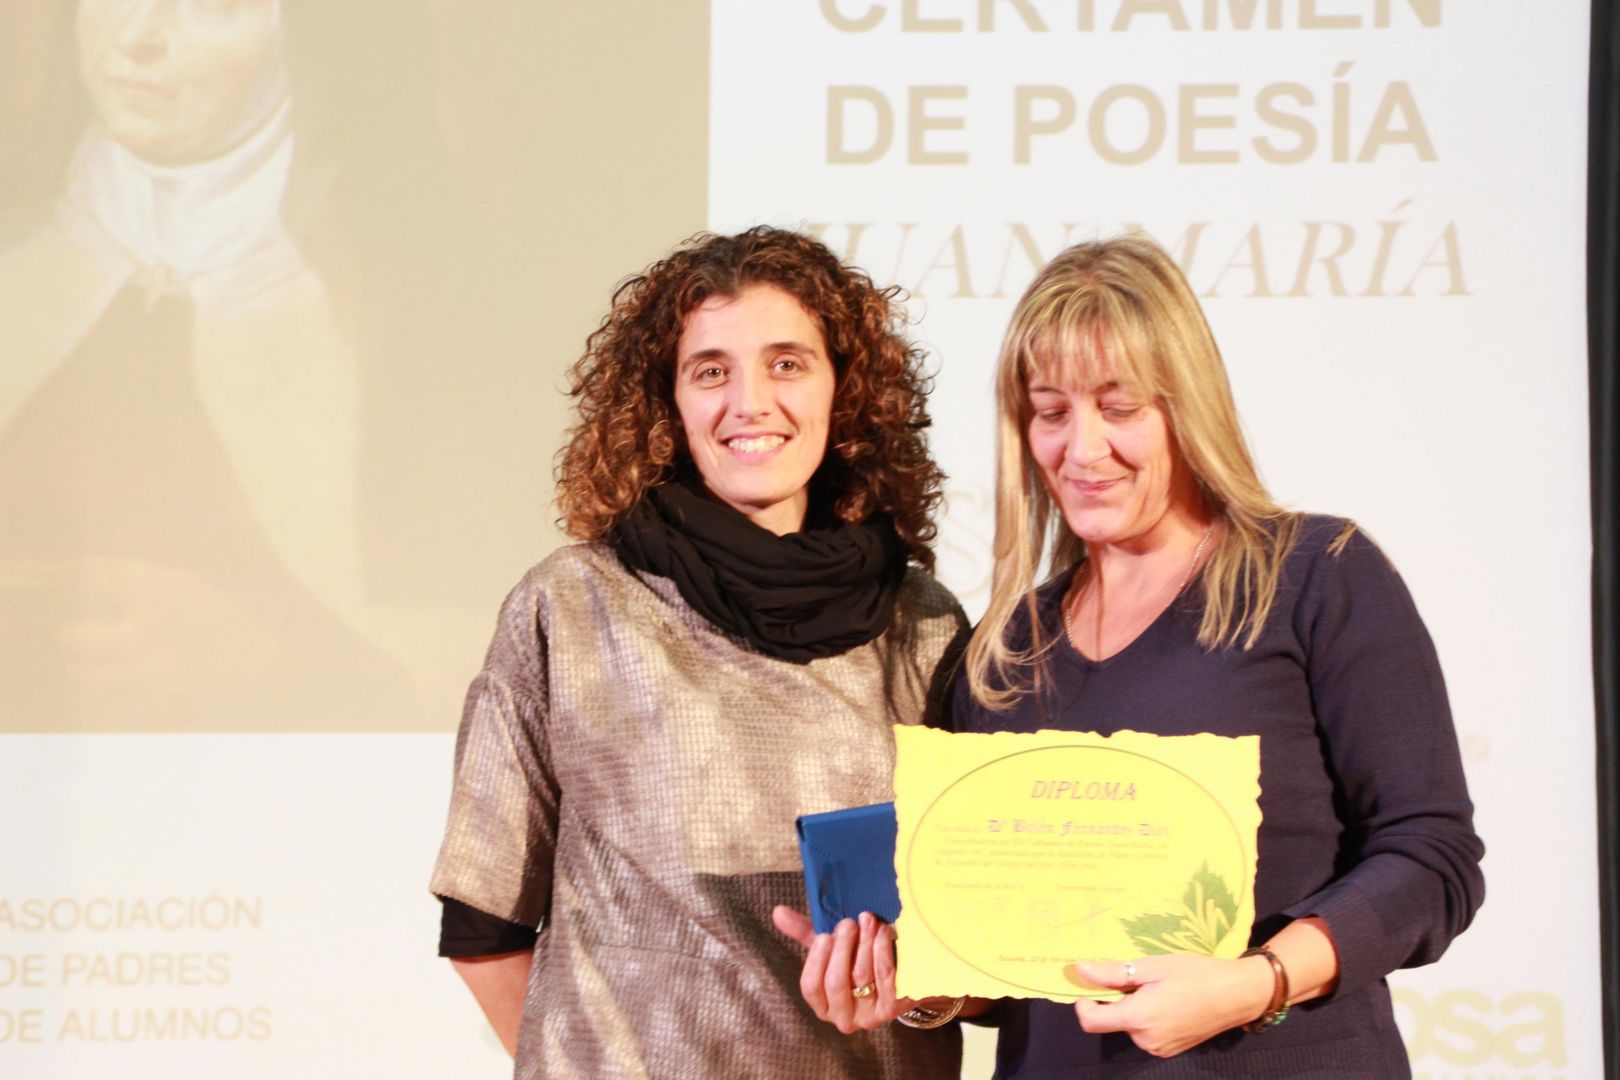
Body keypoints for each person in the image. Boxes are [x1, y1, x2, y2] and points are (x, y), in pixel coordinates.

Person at [788, 233, 1485, 1076]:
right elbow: (1013, 972)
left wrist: (1258, 982)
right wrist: (916, 984)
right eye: (1052, 412)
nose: (1083, 449)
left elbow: (1431, 859)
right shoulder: (1004, 652)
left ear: (1186, 408)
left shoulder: (1316, 577)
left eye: (1119, 408)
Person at [429, 226, 968, 1078]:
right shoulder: (573, 605)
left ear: (846, 390)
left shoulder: (924, 625)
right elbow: (484, 929)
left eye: (787, 363)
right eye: (711, 371)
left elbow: (976, 940)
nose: (750, 402)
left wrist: (923, 993)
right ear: (667, 404)